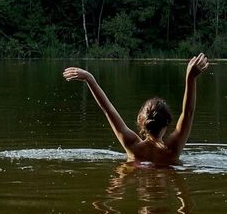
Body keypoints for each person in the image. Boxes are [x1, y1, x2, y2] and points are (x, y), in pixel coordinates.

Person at [63, 53, 208, 166]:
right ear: (167, 123)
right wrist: (190, 77)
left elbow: (108, 109)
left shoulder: (132, 146)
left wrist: (90, 79)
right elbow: (188, 113)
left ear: (141, 121)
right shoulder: (172, 150)